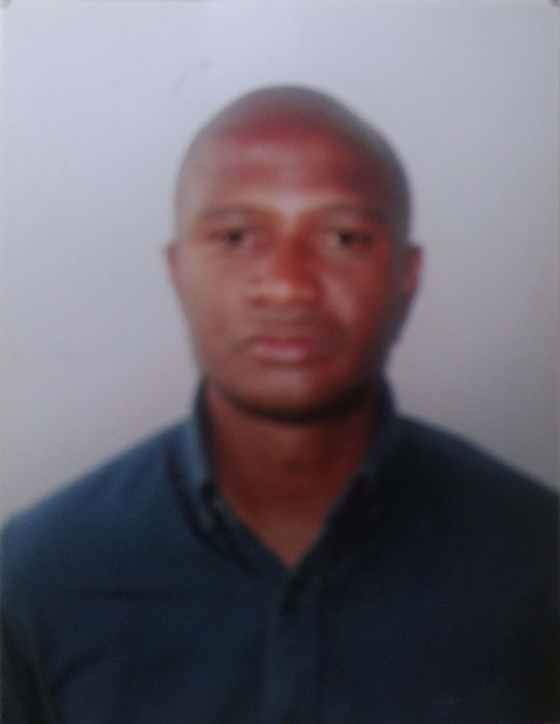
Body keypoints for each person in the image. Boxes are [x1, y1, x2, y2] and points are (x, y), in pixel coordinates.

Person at [2, 85, 558, 724]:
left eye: (344, 238)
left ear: (407, 275)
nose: (289, 285)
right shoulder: (35, 575)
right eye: (236, 236)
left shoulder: (539, 557)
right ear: (178, 271)